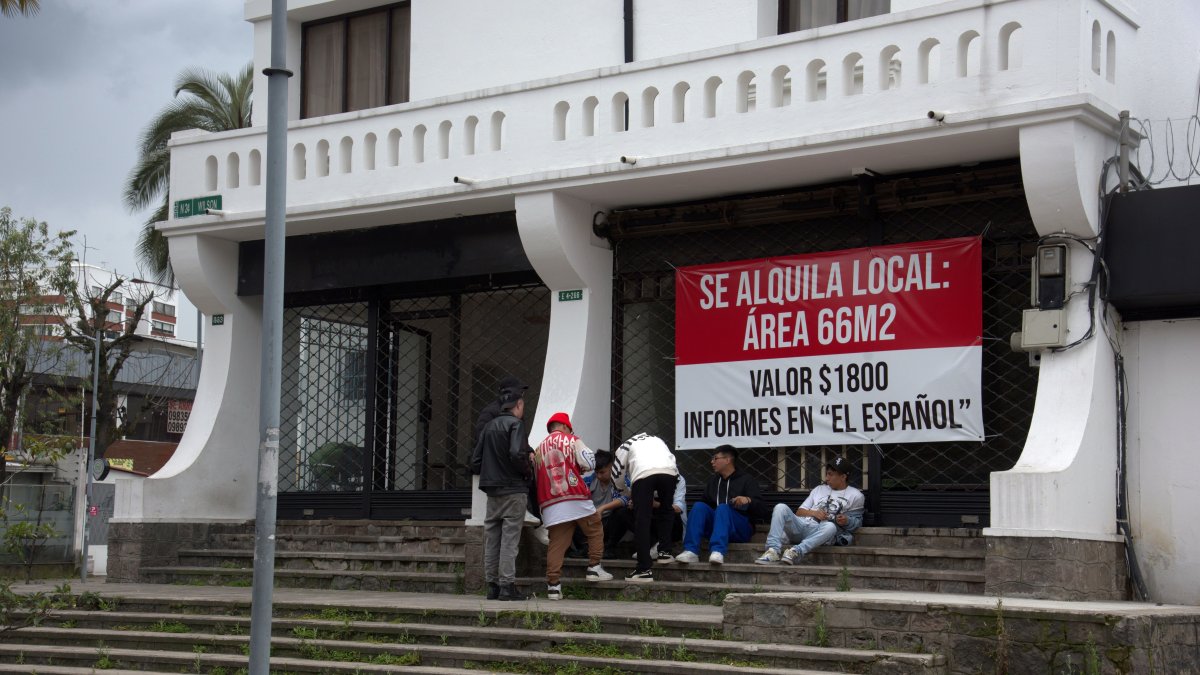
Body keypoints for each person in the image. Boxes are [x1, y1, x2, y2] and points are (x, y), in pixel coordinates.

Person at [532, 412, 613, 600]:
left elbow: (537, 476)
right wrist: (581, 467)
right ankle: (594, 568)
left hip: (550, 502)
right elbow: (590, 461)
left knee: (557, 543)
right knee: (594, 529)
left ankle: (553, 585)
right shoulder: (572, 440)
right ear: (565, 426)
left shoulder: (538, 449)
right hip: (575, 496)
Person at [470, 389, 531, 601]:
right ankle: (507, 586)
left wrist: (491, 473)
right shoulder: (516, 425)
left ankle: (492, 586)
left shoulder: (488, 426)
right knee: (509, 540)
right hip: (513, 490)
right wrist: (526, 471)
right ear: (518, 405)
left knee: (493, 539)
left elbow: (475, 461)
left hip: (492, 491)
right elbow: (516, 453)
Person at [472, 375, 546, 545]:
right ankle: (532, 516)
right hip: (501, 470)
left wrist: (529, 451)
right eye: (520, 392)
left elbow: (520, 440)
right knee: (506, 542)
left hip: (508, 468)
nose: (522, 396)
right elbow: (483, 440)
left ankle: (536, 518)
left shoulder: (516, 415)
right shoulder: (490, 413)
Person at [755, 455, 865, 565]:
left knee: (831, 527)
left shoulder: (856, 495)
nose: (827, 478)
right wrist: (814, 513)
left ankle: (796, 551)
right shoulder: (819, 489)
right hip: (803, 525)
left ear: (843, 477)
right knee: (780, 507)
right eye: (827, 474)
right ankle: (772, 551)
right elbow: (799, 512)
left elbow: (857, 523)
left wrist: (846, 520)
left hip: (821, 533)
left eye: (830, 474)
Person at [675, 445, 770, 565]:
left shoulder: (747, 480)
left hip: (740, 530)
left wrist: (748, 500)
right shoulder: (713, 481)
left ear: (727, 460)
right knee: (699, 506)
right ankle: (691, 551)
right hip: (716, 529)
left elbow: (763, 510)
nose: (712, 462)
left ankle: (718, 551)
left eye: (715, 458)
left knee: (723, 508)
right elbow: (704, 509)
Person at [611, 433, 679, 582]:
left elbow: (617, 475)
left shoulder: (625, 445)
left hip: (643, 475)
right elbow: (670, 457)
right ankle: (665, 552)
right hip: (670, 472)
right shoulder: (657, 439)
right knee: (666, 510)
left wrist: (627, 492)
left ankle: (643, 569)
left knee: (642, 519)